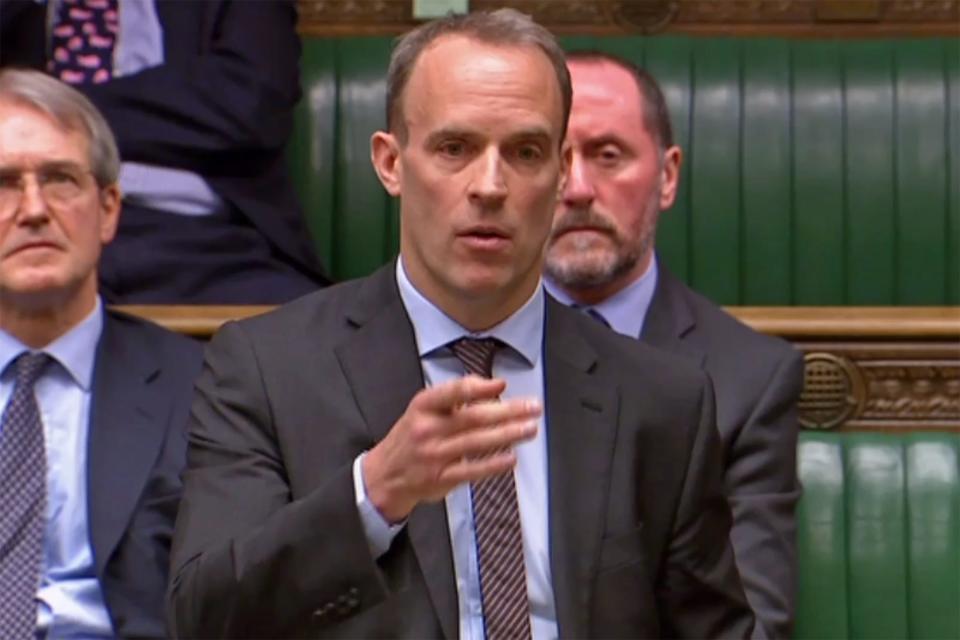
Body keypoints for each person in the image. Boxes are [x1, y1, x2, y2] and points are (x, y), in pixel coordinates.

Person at [168, 10, 754, 639]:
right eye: (456, 148)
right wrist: (374, 494)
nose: (491, 185)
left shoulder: (661, 400)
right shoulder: (267, 370)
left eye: (525, 152)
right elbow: (204, 619)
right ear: (390, 163)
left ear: (560, 174)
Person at [544, 51, 804, 639]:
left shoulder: (749, 380)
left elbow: (750, 625)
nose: (578, 188)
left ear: (667, 175)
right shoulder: (457, 348)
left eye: (608, 156)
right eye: (551, 158)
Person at [0, 69, 202, 637]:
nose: (34, 209)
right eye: (5, 182)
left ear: (108, 209)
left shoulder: (203, 387)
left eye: (61, 179)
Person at [0, 0, 329, 303]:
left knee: (305, 335)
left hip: (199, 242)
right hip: (25, 228)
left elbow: (251, 103)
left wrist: (55, 111)